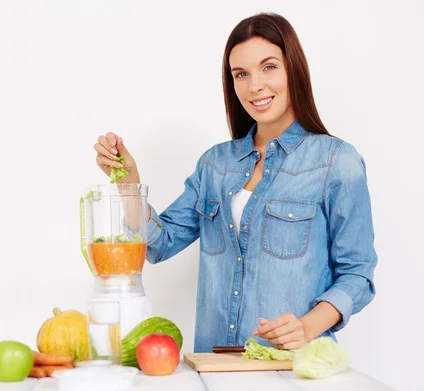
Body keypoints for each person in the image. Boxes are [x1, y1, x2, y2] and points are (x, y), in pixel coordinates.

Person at [92, 12, 377, 352]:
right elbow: (159, 243)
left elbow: (358, 273)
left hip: (291, 369)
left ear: (293, 69)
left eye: (268, 67)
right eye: (241, 74)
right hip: (215, 366)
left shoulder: (337, 162)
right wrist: (129, 182)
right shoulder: (215, 165)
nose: (254, 85)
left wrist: (306, 326)